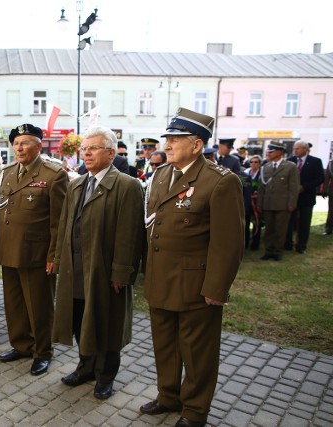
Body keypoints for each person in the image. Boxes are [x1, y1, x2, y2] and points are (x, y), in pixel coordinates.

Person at [140, 108, 244, 427]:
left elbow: (228, 243)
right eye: (167, 139)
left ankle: (195, 410)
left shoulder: (220, 181)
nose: (167, 145)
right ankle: (168, 395)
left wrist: (215, 288)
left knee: (197, 352)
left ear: (196, 145)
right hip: (160, 278)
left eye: (175, 139)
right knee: (165, 344)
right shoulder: (160, 175)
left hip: (194, 285)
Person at [53, 126, 143, 400]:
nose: (86, 153)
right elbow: (65, 226)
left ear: (111, 153)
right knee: (81, 319)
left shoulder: (127, 186)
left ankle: (105, 376)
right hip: (76, 269)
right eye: (84, 149)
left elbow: (130, 235)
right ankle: (86, 367)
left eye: (93, 148)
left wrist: (121, 273)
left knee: (107, 323)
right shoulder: (77, 183)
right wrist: (58, 260)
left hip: (104, 271)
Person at [0, 123, 67, 376]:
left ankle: (42, 352)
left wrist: (54, 256)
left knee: (39, 305)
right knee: (13, 303)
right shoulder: (6, 172)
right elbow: (1, 213)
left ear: (38, 145)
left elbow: (59, 222)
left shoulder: (53, 174)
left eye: (24, 143)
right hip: (9, 250)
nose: (19, 147)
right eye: (15, 143)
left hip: (36, 254)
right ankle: (22, 345)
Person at [258, 141, 299, 261]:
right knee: (268, 229)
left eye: (272, 151)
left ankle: (277, 251)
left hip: (282, 204)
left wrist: (292, 203)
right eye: (268, 151)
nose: (269, 153)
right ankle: (268, 251)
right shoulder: (266, 167)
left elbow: (294, 187)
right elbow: (261, 188)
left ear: (280, 152)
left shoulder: (290, 167)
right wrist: (260, 203)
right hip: (268, 204)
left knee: (280, 229)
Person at [284, 141, 324, 253]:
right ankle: (287, 243)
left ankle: (301, 245)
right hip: (292, 197)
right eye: (294, 148)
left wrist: (304, 187)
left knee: (304, 223)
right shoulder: (290, 161)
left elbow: (320, 178)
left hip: (306, 197)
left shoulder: (315, 161)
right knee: (289, 221)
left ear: (305, 149)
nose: (294, 150)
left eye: (297, 148)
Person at [243, 155, 263, 250]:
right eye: (251, 162)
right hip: (247, 202)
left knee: (257, 223)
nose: (253, 164)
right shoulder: (246, 173)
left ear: (260, 164)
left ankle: (255, 244)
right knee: (245, 223)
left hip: (257, 202)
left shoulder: (263, 174)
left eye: (256, 162)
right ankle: (245, 243)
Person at [323, 158, 333, 235]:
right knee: (331, 211)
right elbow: (327, 177)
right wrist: (325, 189)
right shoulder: (331, 163)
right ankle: (328, 229)